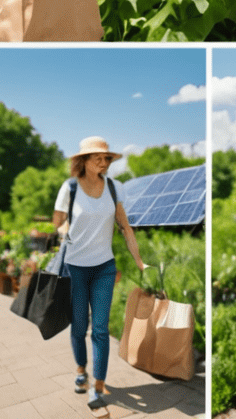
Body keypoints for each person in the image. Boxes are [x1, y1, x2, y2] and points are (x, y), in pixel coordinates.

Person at [52, 136, 145, 411]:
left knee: (101, 329)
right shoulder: (69, 188)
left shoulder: (114, 188)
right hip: (76, 267)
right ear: (83, 161)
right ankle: (81, 370)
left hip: (104, 266)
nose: (104, 162)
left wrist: (139, 261)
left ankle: (98, 385)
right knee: (79, 326)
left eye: (106, 159)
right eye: (98, 158)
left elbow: (125, 227)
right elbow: (57, 223)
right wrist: (66, 234)